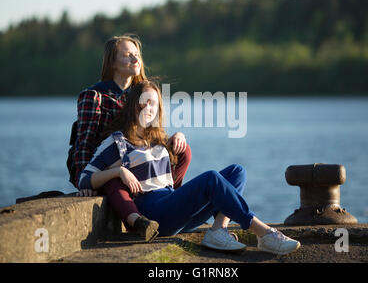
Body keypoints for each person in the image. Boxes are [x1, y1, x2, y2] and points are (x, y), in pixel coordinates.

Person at [79, 80, 301, 255]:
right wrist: (118, 171)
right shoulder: (117, 142)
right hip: (154, 211)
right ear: (132, 105)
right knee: (210, 179)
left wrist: (179, 137)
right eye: (144, 101)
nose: (149, 108)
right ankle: (264, 233)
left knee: (237, 171)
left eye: (154, 103)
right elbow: (86, 178)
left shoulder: (157, 139)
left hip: (172, 202)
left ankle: (218, 230)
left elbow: (179, 163)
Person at [71, 34, 192, 242]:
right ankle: (139, 219)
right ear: (113, 63)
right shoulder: (95, 96)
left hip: (141, 166)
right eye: (128, 55)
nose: (136, 59)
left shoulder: (142, 92)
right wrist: (85, 182)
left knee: (183, 151)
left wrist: (177, 136)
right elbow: (85, 143)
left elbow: (153, 135)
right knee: (116, 176)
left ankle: (170, 199)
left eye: (137, 55)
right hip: (110, 167)